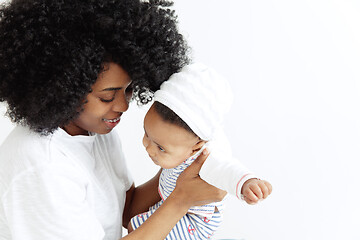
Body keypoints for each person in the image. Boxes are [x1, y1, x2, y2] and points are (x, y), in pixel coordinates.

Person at [0, 1, 226, 239]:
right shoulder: (42, 166)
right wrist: (182, 199)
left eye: (128, 90)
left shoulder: (94, 131)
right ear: (63, 89)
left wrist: (184, 163)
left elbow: (127, 210)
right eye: (107, 96)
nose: (123, 106)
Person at [128, 63, 273, 239]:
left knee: (136, 229)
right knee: (134, 225)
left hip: (194, 222)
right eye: (146, 133)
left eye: (160, 147)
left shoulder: (207, 157)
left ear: (196, 147)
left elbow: (228, 169)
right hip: (174, 205)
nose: (148, 147)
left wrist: (247, 184)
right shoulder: (184, 143)